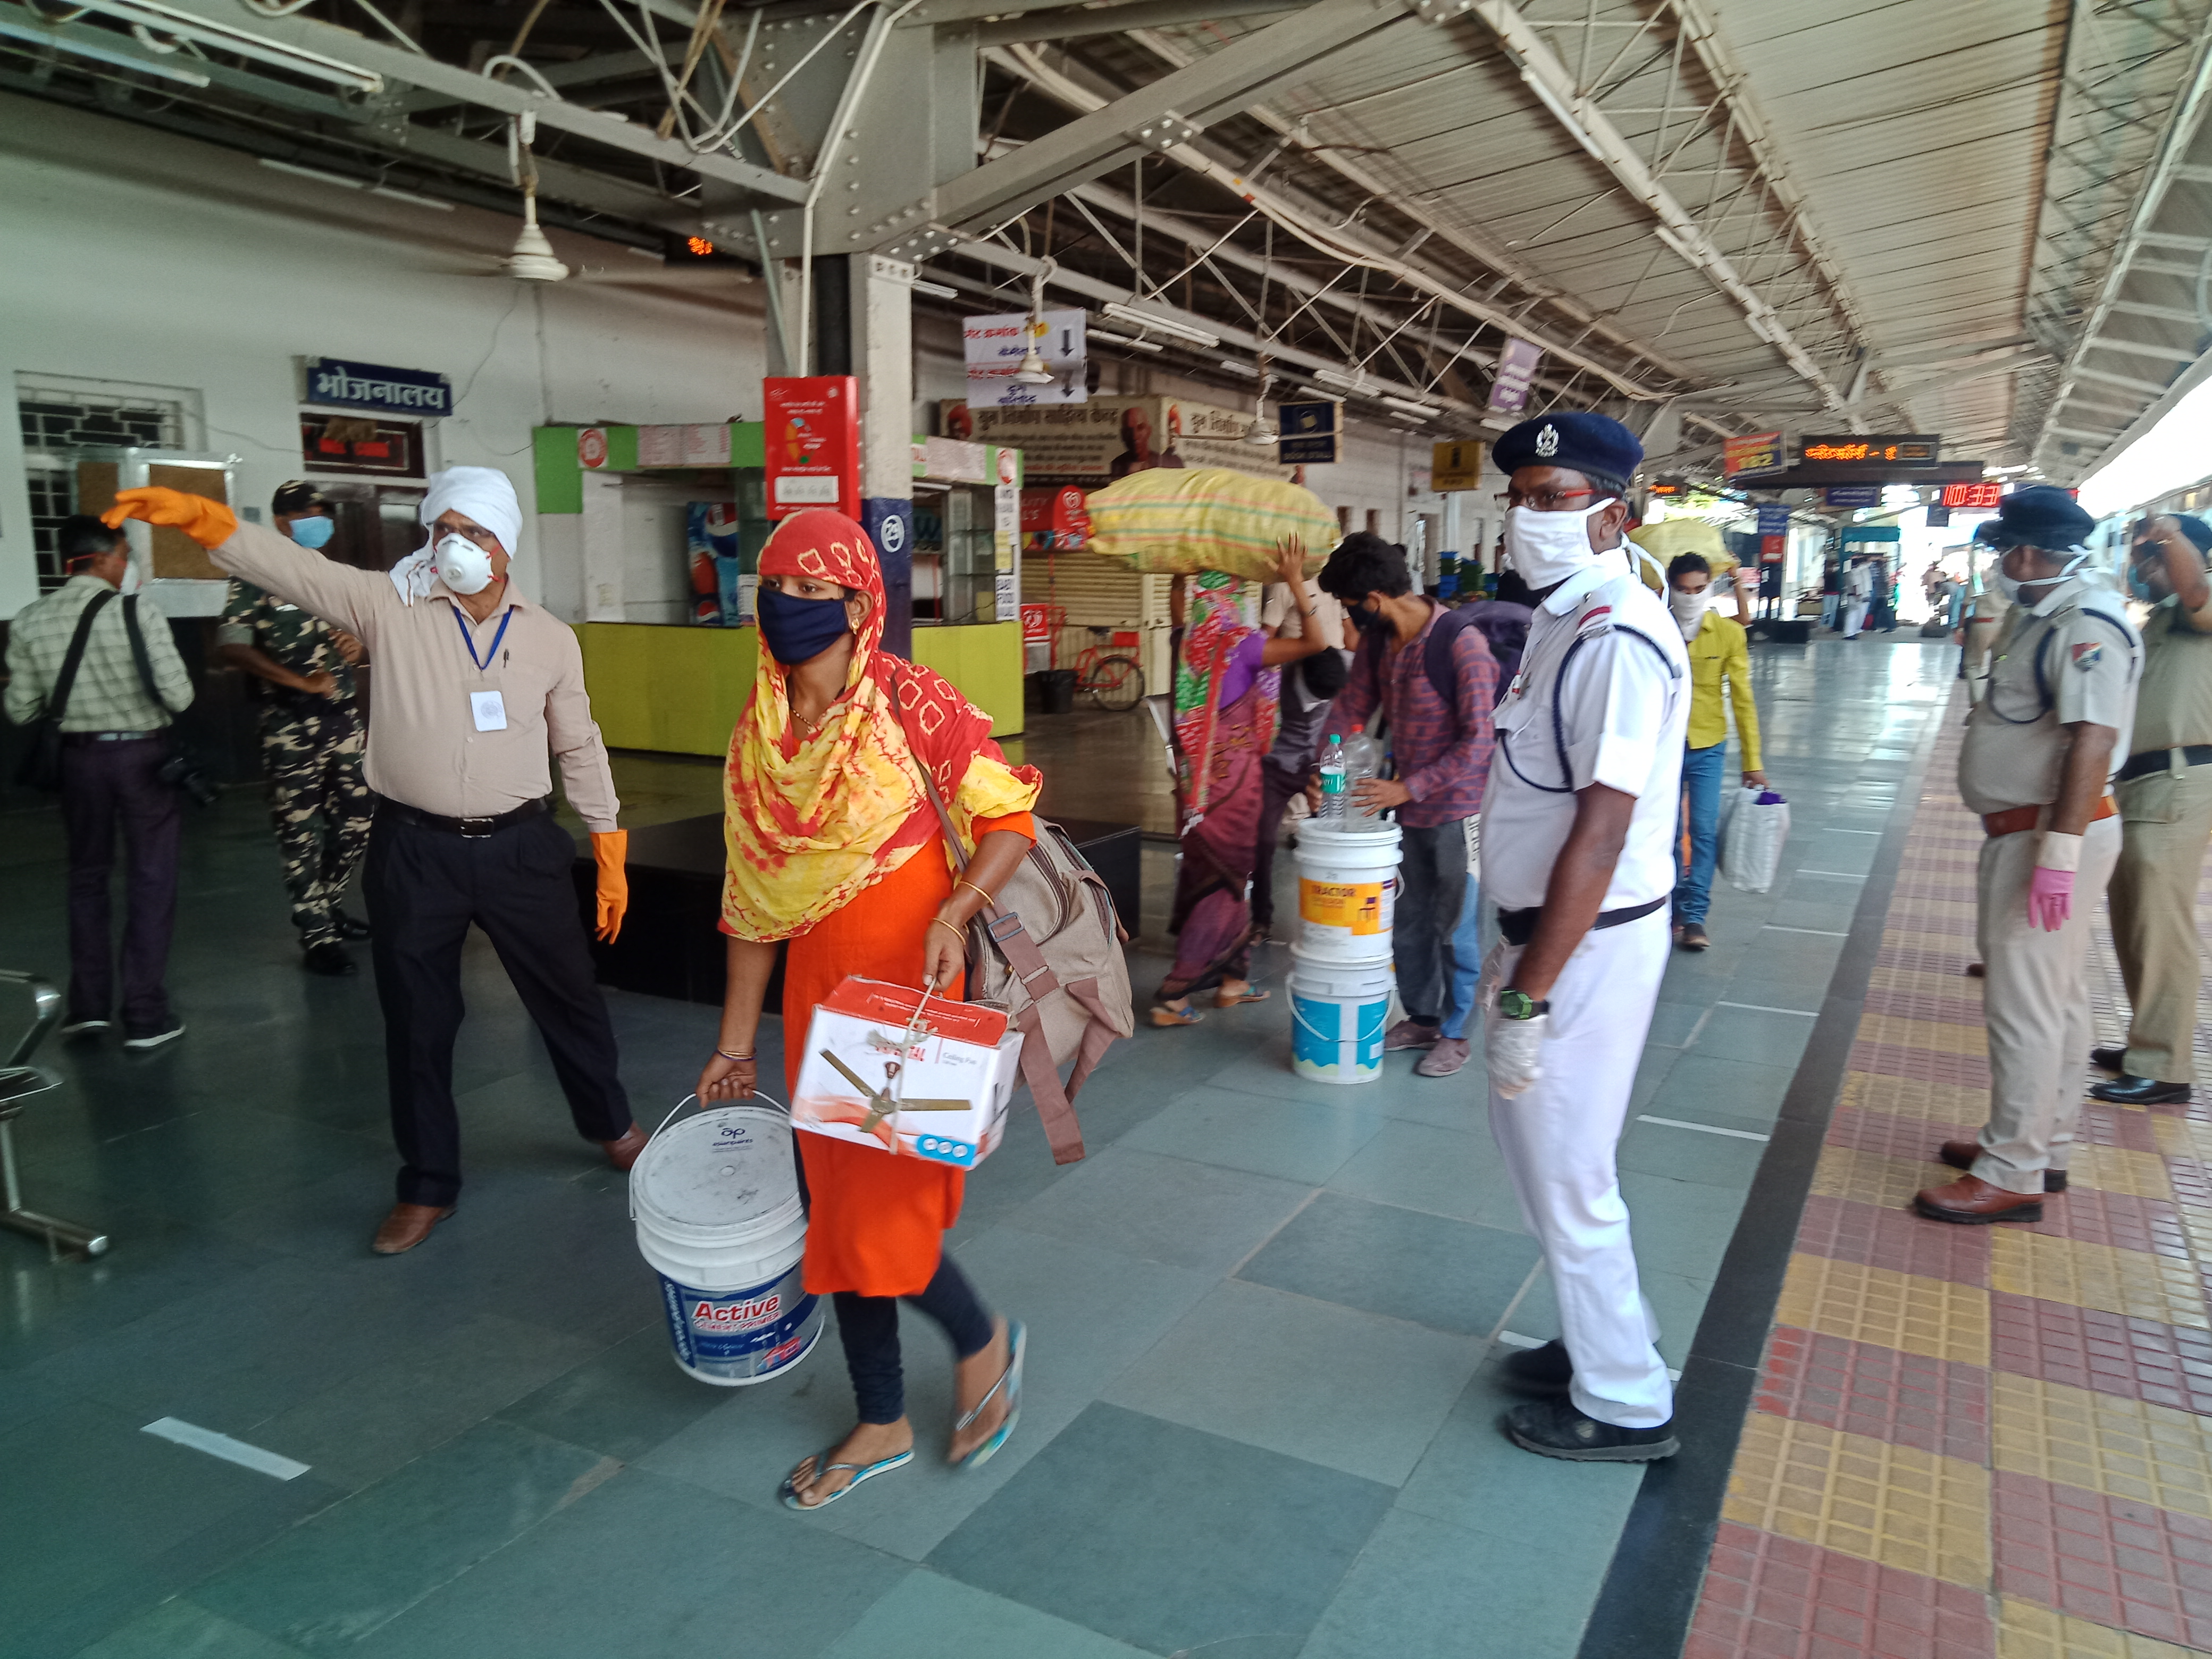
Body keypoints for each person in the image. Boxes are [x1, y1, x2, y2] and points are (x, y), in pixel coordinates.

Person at [104, 469, 640, 1255]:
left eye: (474, 532)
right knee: (418, 1021)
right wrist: (205, 521)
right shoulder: (389, 606)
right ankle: (428, 1183)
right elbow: (292, 569)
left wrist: (610, 841)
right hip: (413, 849)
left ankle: (610, 1124)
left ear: (506, 546)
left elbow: (578, 741)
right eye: (442, 530)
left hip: (521, 846)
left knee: (570, 1001)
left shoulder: (550, 638)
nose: (454, 547)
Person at [693, 507, 1042, 1508]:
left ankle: (978, 1344)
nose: (790, 608)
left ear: (860, 605)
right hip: (818, 1004)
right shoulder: (760, 733)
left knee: (877, 1214)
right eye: (778, 588)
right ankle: (883, 1411)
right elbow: (753, 903)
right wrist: (732, 1043)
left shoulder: (908, 701)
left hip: (909, 994)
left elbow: (1008, 815)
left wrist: (959, 907)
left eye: (816, 592)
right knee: (836, 1213)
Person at [1478, 411, 1687, 1461]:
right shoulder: (1565, 618)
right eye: (1522, 497)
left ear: (1620, 512)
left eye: (1557, 499)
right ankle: (1598, 1335)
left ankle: (1625, 1401)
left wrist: (1529, 995)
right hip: (1548, 939)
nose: (1533, 518)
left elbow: (1601, 835)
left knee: (1569, 1171)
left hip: (1584, 947)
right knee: (1541, 1162)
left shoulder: (1617, 635)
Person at [1916, 487, 2140, 1223]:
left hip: (2046, 833)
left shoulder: (2085, 625)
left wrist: (2060, 854)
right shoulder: (2043, 617)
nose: (2001, 562)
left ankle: (2012, 1169)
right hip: (2036, 830)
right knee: (2059, 1000)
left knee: (2024, 1008)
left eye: (2006, 549)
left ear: (2026, 552)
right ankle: (2045, 1146)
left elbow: (2093, 739)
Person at [4, 514, 194, 1048]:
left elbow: (20, 710)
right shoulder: (138, 611)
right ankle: (144, 1015)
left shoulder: (30, 619)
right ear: (108, 557)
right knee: (150, 881)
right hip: (142, 760)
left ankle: (87, 1010)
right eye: (125, 556)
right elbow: (180, 697)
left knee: (86, 877)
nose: (126, 566)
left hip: (78, 762)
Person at [1313, 532, 1498, 1077]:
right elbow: (1352, 704)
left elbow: (1478, 744)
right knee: (1408, 921)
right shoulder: (1380, 642)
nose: (1346, 618)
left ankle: (1456, 1032)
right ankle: (1421, 1017)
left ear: (1372, 599)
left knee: (1455, 925)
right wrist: (1327, 764)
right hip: (1403, 811)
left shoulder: (1461, 645)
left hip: (1457, 810)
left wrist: (1408, 788)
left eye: (1347, 606)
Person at [1154, 541, 1330, 1023]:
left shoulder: (1192, 639)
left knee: (1218, 873)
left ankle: (1233, 979)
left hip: (1198, 785)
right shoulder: (1243, 644)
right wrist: (1296, 582)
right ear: (1237, 598)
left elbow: (1177, 610)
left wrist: (1177, 574)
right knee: (1227, 879)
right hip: (1235, 783)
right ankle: (1175, 993)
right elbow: (1317, 643)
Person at [216, 481, 374, 977]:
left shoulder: (332, 574)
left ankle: (326, 905)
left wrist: (361, 648)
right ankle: (316, 934)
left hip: (344, 719)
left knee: (357, 821)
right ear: (282, 521)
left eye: (322, 512)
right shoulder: (252, 577)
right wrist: (299, 681)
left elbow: (369, 634)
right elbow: (232, 647)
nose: (319, 520)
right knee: (300, 830)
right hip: (289, 724)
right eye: (309, 512)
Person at [2089, 514, 2212, 1106]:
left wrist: (2165, 532)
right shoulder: (2160, 616)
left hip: (2179, 778)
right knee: (2133, 919)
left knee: (2161, 924)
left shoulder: (2200, 604)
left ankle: (2164, 1065)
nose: (2141, 566)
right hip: (2142, 781)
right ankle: (2146, 1040)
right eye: (2140, 555)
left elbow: (2194, 590)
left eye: (2151, 556)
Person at [1666, 552, 1766, 952]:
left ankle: (1695, 917)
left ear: (1710, 588)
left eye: (1698, 589)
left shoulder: (1728, 634)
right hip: (1663, 746)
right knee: (1666, 834)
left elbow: (1744, 700)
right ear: (1669, 589)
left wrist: (1753, 762)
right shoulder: (1654, 629)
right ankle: (1671, 907)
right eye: (1683, 590)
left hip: (1708, 745)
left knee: (1703, 832)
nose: (1691, 597)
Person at [1251, 567, 1348, 940]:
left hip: (1321, 763)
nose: (1318, 704)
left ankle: (1332, 909)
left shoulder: (1338, 676)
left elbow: (1343, 731)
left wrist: (1323, 774)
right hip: (1275, 768)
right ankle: (1261, 918)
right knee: (1262, 840)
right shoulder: (1274, 680)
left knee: (1334, 835)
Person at [1841, 557, 1872, 639]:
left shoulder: (1852, 572)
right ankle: (1850, 633)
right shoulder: (1856, 572)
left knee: (1856, 614)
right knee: (1853, 615)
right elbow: (1856, 584)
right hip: (1856, 596)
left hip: (1856, 595)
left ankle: (1853, 632)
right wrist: (1858, 594)